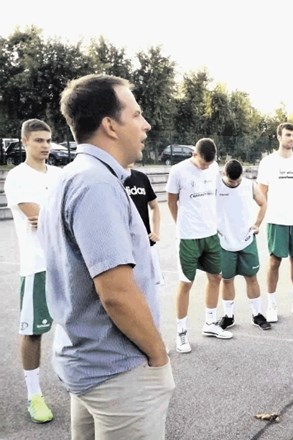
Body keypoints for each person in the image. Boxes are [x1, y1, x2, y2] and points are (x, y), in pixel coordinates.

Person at [38, 74, 174, 438]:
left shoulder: (72, 178)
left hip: (91, 366)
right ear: (110, 126)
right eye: (137, 115)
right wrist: (159, 357)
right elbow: (116, 293)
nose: (146, 125)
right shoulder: (95, 184)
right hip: (118, 374)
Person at [5, 119, 62, 424]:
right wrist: (57, 217)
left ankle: (79, 386)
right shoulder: (17, 177)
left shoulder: (60, 174)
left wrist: (54, 218)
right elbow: (38, 216)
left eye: (48, 140)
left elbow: (60, 217)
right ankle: (34, 394)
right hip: (36, 266)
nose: (45, 146)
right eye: (39, 140)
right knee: (33, 332)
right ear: (24, 141)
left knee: (75, 326)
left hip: (65, 263)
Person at [166, 138, 232, 353]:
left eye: (209, 164)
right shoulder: (178, 171)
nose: (206, 167)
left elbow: (215, 196)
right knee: (186, 283)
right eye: (203, 163)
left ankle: (210, 324)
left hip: (210, 234)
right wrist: (181, 225)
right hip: (188, 237)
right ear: (195, 153)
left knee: (216, 278)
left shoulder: (213, 168)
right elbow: (171, 201)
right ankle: (182, 333)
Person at [257, 122, 293, 322]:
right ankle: (271, 306)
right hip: (276, 219)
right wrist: (257, 220)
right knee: (274, 261)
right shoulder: (268, 163)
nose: (291, 138)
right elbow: (261, 194)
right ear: (279, 137)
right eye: (288, 135)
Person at [216, 159, 271, 331]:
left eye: (238, 180)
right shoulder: (215, 186)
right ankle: (228, 316)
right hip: (224, 241)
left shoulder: (249, 185)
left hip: (246, 239)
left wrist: (257, 224)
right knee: (227, 280)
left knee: (252, 277)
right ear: (224, 174)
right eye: (232, 181)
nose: (235, 183)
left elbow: (263, 203)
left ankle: (257, 314)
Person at [125, 163, 164, 286]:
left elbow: (154, 207)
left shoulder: (141, 177)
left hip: (146, 243)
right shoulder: (113, 178)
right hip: (125, 246)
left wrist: (156, 232)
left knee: (151, 287)